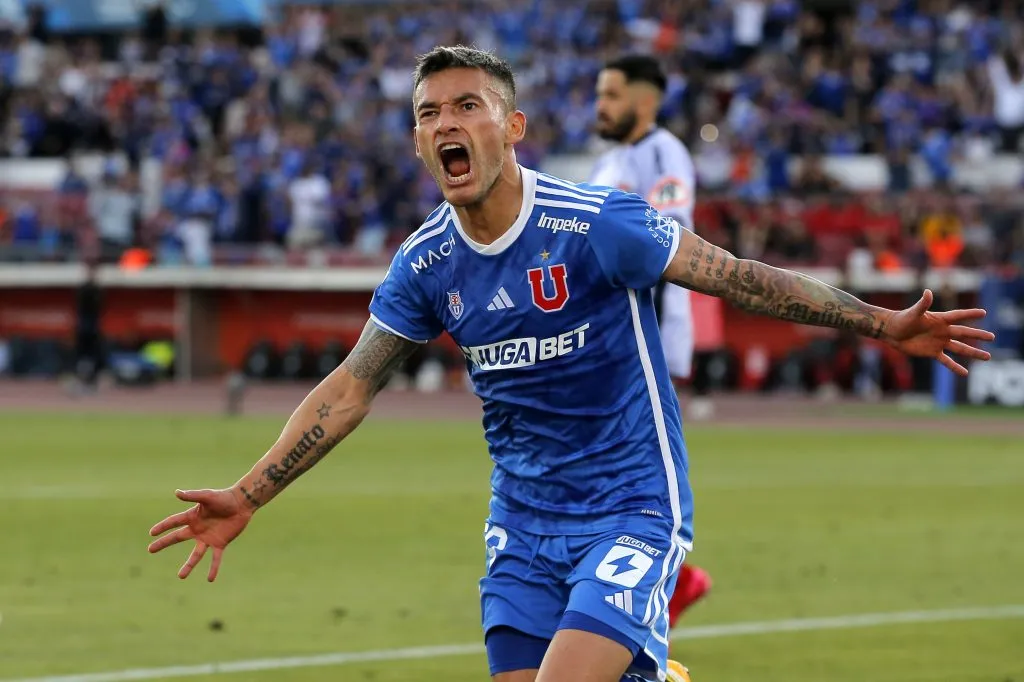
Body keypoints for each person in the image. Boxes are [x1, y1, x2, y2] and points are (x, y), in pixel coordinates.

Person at [148, 46, 995, 682]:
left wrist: (882, 325)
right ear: (416, 141)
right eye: (427, 112)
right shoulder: (425, 264)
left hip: (630, 506)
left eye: (466, 106)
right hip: (522, 522)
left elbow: (739, 277)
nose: (445, 122)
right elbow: (350, 386)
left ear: (511, 128)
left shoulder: (598, 224)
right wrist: (249, 492)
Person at [590, 54, 713, 629]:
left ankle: (670, 578)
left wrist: (652, 337)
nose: (601, 105)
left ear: (646, 101)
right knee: (602, 461)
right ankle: (666, 580)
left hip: (645, 335)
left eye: (612, 94)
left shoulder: (666, 155)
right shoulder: (609, 160)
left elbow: (668, 247)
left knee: (633, 463)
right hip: (601, 339)